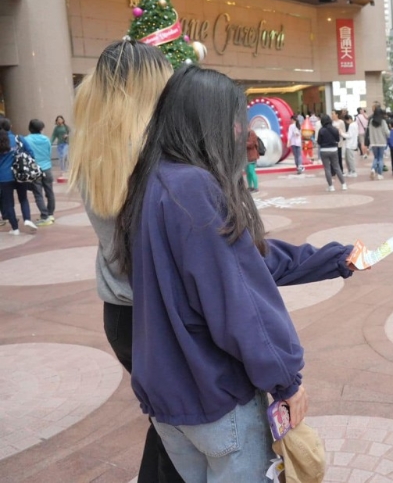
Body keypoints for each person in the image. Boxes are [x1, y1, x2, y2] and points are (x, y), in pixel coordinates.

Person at [113, 66, 356, 481]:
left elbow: (249, 260)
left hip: (169, 399)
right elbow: (238, 302)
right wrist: (286, 381)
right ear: (210, 121)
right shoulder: (194, 187)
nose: (243, 131)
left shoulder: (152, 181)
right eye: (235, 118)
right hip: (214, 396)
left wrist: (335, 258)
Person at [69, 39, 184, 483]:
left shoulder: (97, 152)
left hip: (122, 314)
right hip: (158, 318)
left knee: (172, 425)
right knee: (185, 431)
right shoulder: (154, 161)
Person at [0, 118, 37, 235]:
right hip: (20, 173)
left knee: (8, 203)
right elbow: (31, 153)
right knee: (23, 198)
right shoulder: (19, 138)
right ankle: (27, 219)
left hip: (4, 176)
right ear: (10, 126)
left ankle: (15, 228)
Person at [26, 119, 56, 225]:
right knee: (49, 192)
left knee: (38, 194)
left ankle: (44, 215)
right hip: (47, 168)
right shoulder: (46, 139)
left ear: (30, 128)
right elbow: (49, 153)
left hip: (35, 169)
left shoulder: (27, 140)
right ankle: (51, 214)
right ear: (41, 129)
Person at [317, 114, 347, 192]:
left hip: (324, 150)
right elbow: (337, 139)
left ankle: (331, 186)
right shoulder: (334, 129)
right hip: (334, 149)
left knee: (327, 169)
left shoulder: (321, 130)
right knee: (337, 167)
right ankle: (343, 184)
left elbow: (319, 141)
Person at [369, 107, 390, 180]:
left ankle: (373, 169)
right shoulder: (383, 121)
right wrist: (388, 136)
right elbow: (387, 132)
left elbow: (369, 132)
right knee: (380, 158)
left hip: (373, 143)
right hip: (382, 142)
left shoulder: (371, 121)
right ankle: (380, 174)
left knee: (375, 157)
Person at [245, 128, 259, 193]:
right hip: (245, 157)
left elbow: (251, 144)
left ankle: (256, 187)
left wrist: (242, 143)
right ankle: (250, 186)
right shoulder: (243, 133)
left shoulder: (251, 133)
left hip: (251, 156)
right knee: (247, 172)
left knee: (251, 171)